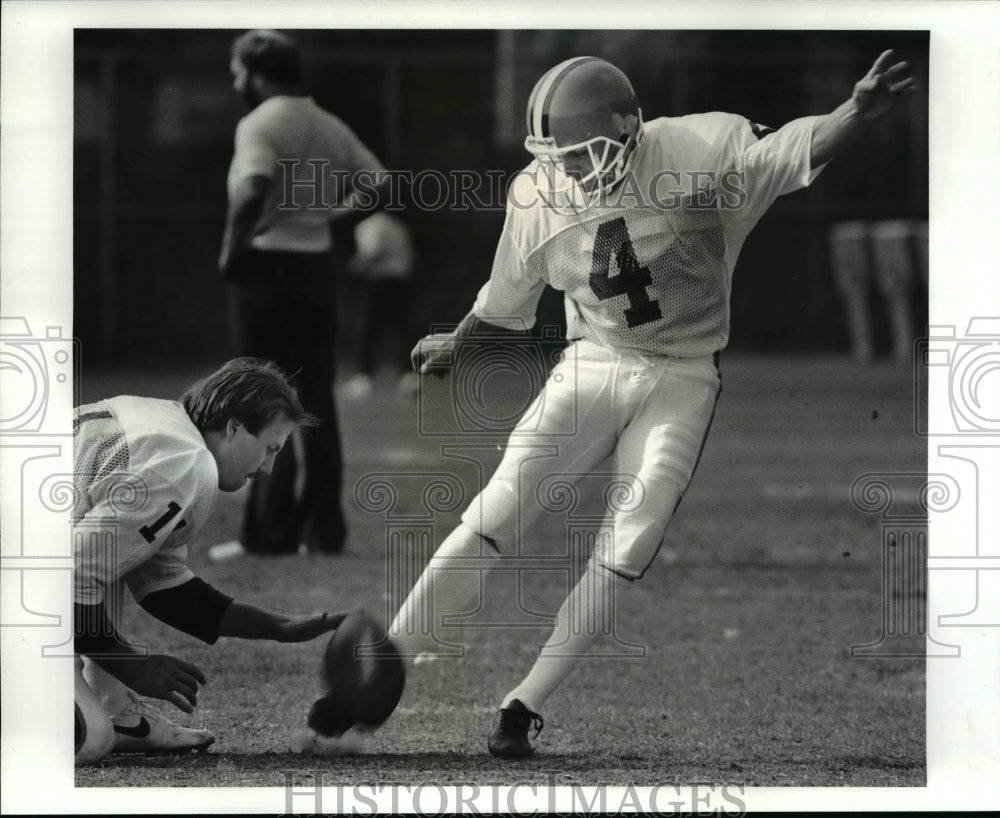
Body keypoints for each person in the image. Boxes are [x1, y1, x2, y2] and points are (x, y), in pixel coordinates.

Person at [388, 52, 916, 758]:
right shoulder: (536, 193)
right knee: (499, 506)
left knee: (627, 541)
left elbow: (792, 148)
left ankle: (524, 703)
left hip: (682, 373)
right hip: (594, 363)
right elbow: (504, 301)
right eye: (558, 157)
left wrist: (854, 110)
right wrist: (456, 343)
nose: (572, 170)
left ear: (631, 128)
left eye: (584, 153)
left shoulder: (699, 148)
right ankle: (382, 661)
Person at [73, 358, 349, 764]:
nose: (269, 468)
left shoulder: (161, 422)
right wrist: (128, 663)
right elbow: (64, 574)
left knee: (107, 555)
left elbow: (163, 584)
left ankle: (117, 713)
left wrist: (278, 627)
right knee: (86, 739)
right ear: (235, 427)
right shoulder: (186, 464)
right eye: (269, 448)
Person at [219, 29, 386, 554]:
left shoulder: (258, 123)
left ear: (257, 72)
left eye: (238, 70)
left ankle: (269, 534)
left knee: (262, 399)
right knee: (316, 399)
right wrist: (329, 217)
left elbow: (253, 187)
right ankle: (323, 530)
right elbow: (378, 180)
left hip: (267, 268)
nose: (235, 79)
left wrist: (231, 248)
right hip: (316, 271)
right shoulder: (328, 124)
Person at [342, 212, 419, 401]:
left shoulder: (372, 224)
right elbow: (412, 257)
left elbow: (372, 252)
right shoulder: (398, 224)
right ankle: (409, 377)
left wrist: (355, 267)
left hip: (380, 283)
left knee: (368, 330)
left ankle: (363, 378)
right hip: (402, 282)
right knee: (403, 330)